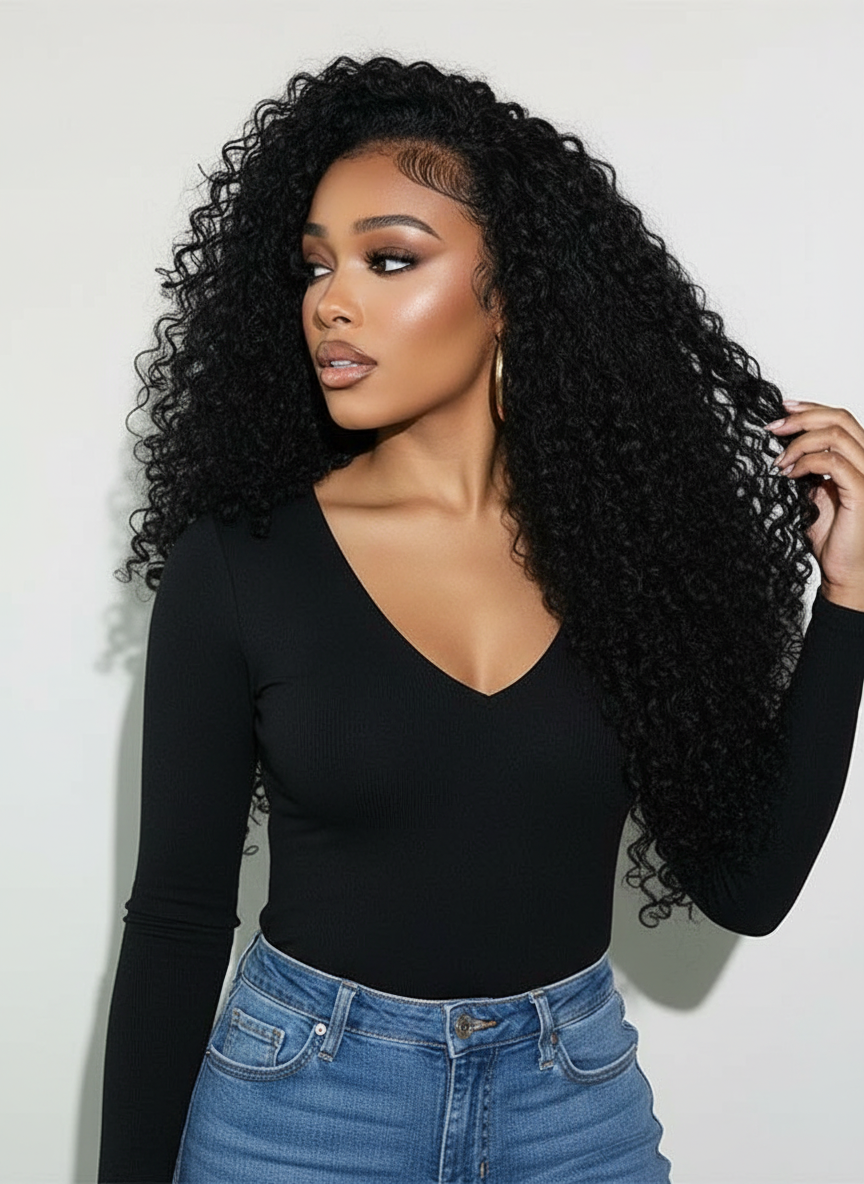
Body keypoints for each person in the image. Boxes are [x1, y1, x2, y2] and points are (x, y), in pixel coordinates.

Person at [97, 55, 864, 1184]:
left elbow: (748, 887)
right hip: (301, 1111)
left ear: (510, 292)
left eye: (388, 258)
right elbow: (177, 915)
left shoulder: (626, 553)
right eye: (316, 264)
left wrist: (848, 599)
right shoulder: (238, 562)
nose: (331, 300)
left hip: (573, 1107)